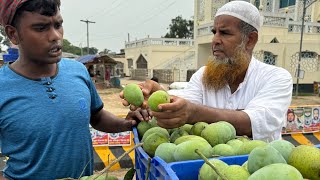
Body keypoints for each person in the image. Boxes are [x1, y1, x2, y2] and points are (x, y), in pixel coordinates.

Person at [0, 0, 140, 179]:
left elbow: (96, 116)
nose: (55, 36)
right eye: (40, 28)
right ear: (13, 34)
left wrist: (125, 124)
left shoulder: (78, 71)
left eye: (58, 25)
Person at [121, 1, 293, 142]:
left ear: (250, 39)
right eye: (214, 32)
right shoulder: (203, 75)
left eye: (224, 33)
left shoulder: (276, 78)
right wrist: (156, 99)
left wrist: (194, 113)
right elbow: (183, 106)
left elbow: (254, 123)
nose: (215, 40)